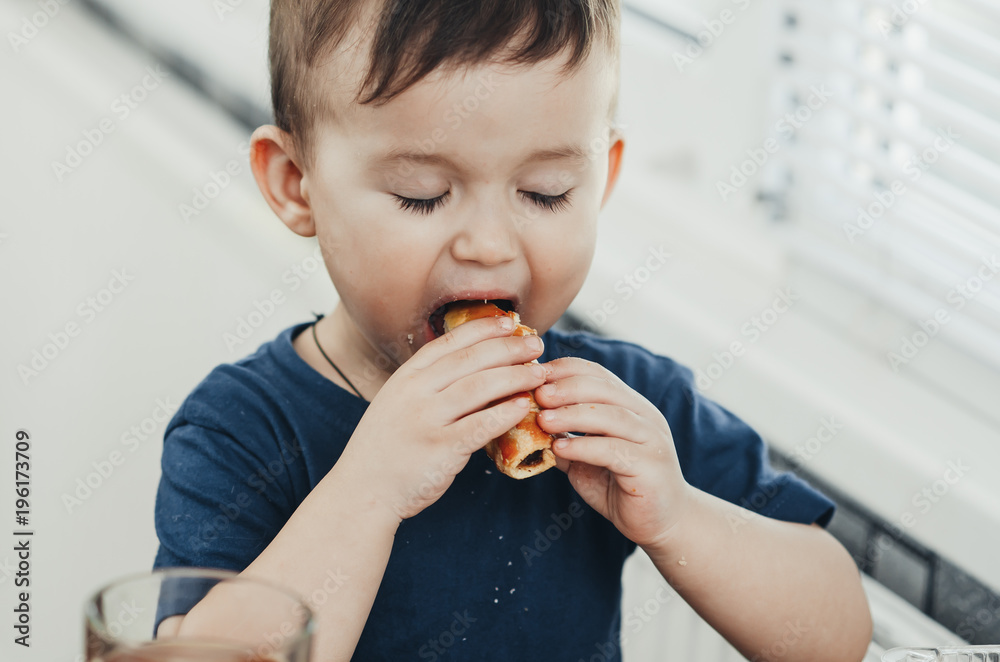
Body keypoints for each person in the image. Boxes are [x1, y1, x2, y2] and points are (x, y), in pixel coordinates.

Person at [152, 0, 873, 660]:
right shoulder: (242, 428)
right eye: (422, 195)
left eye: (545, 192)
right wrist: (369, 490)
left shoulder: (619, 404)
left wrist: (679, 517)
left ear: (602, 181)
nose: (490, 245)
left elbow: (835, 637)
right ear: (294, 184)